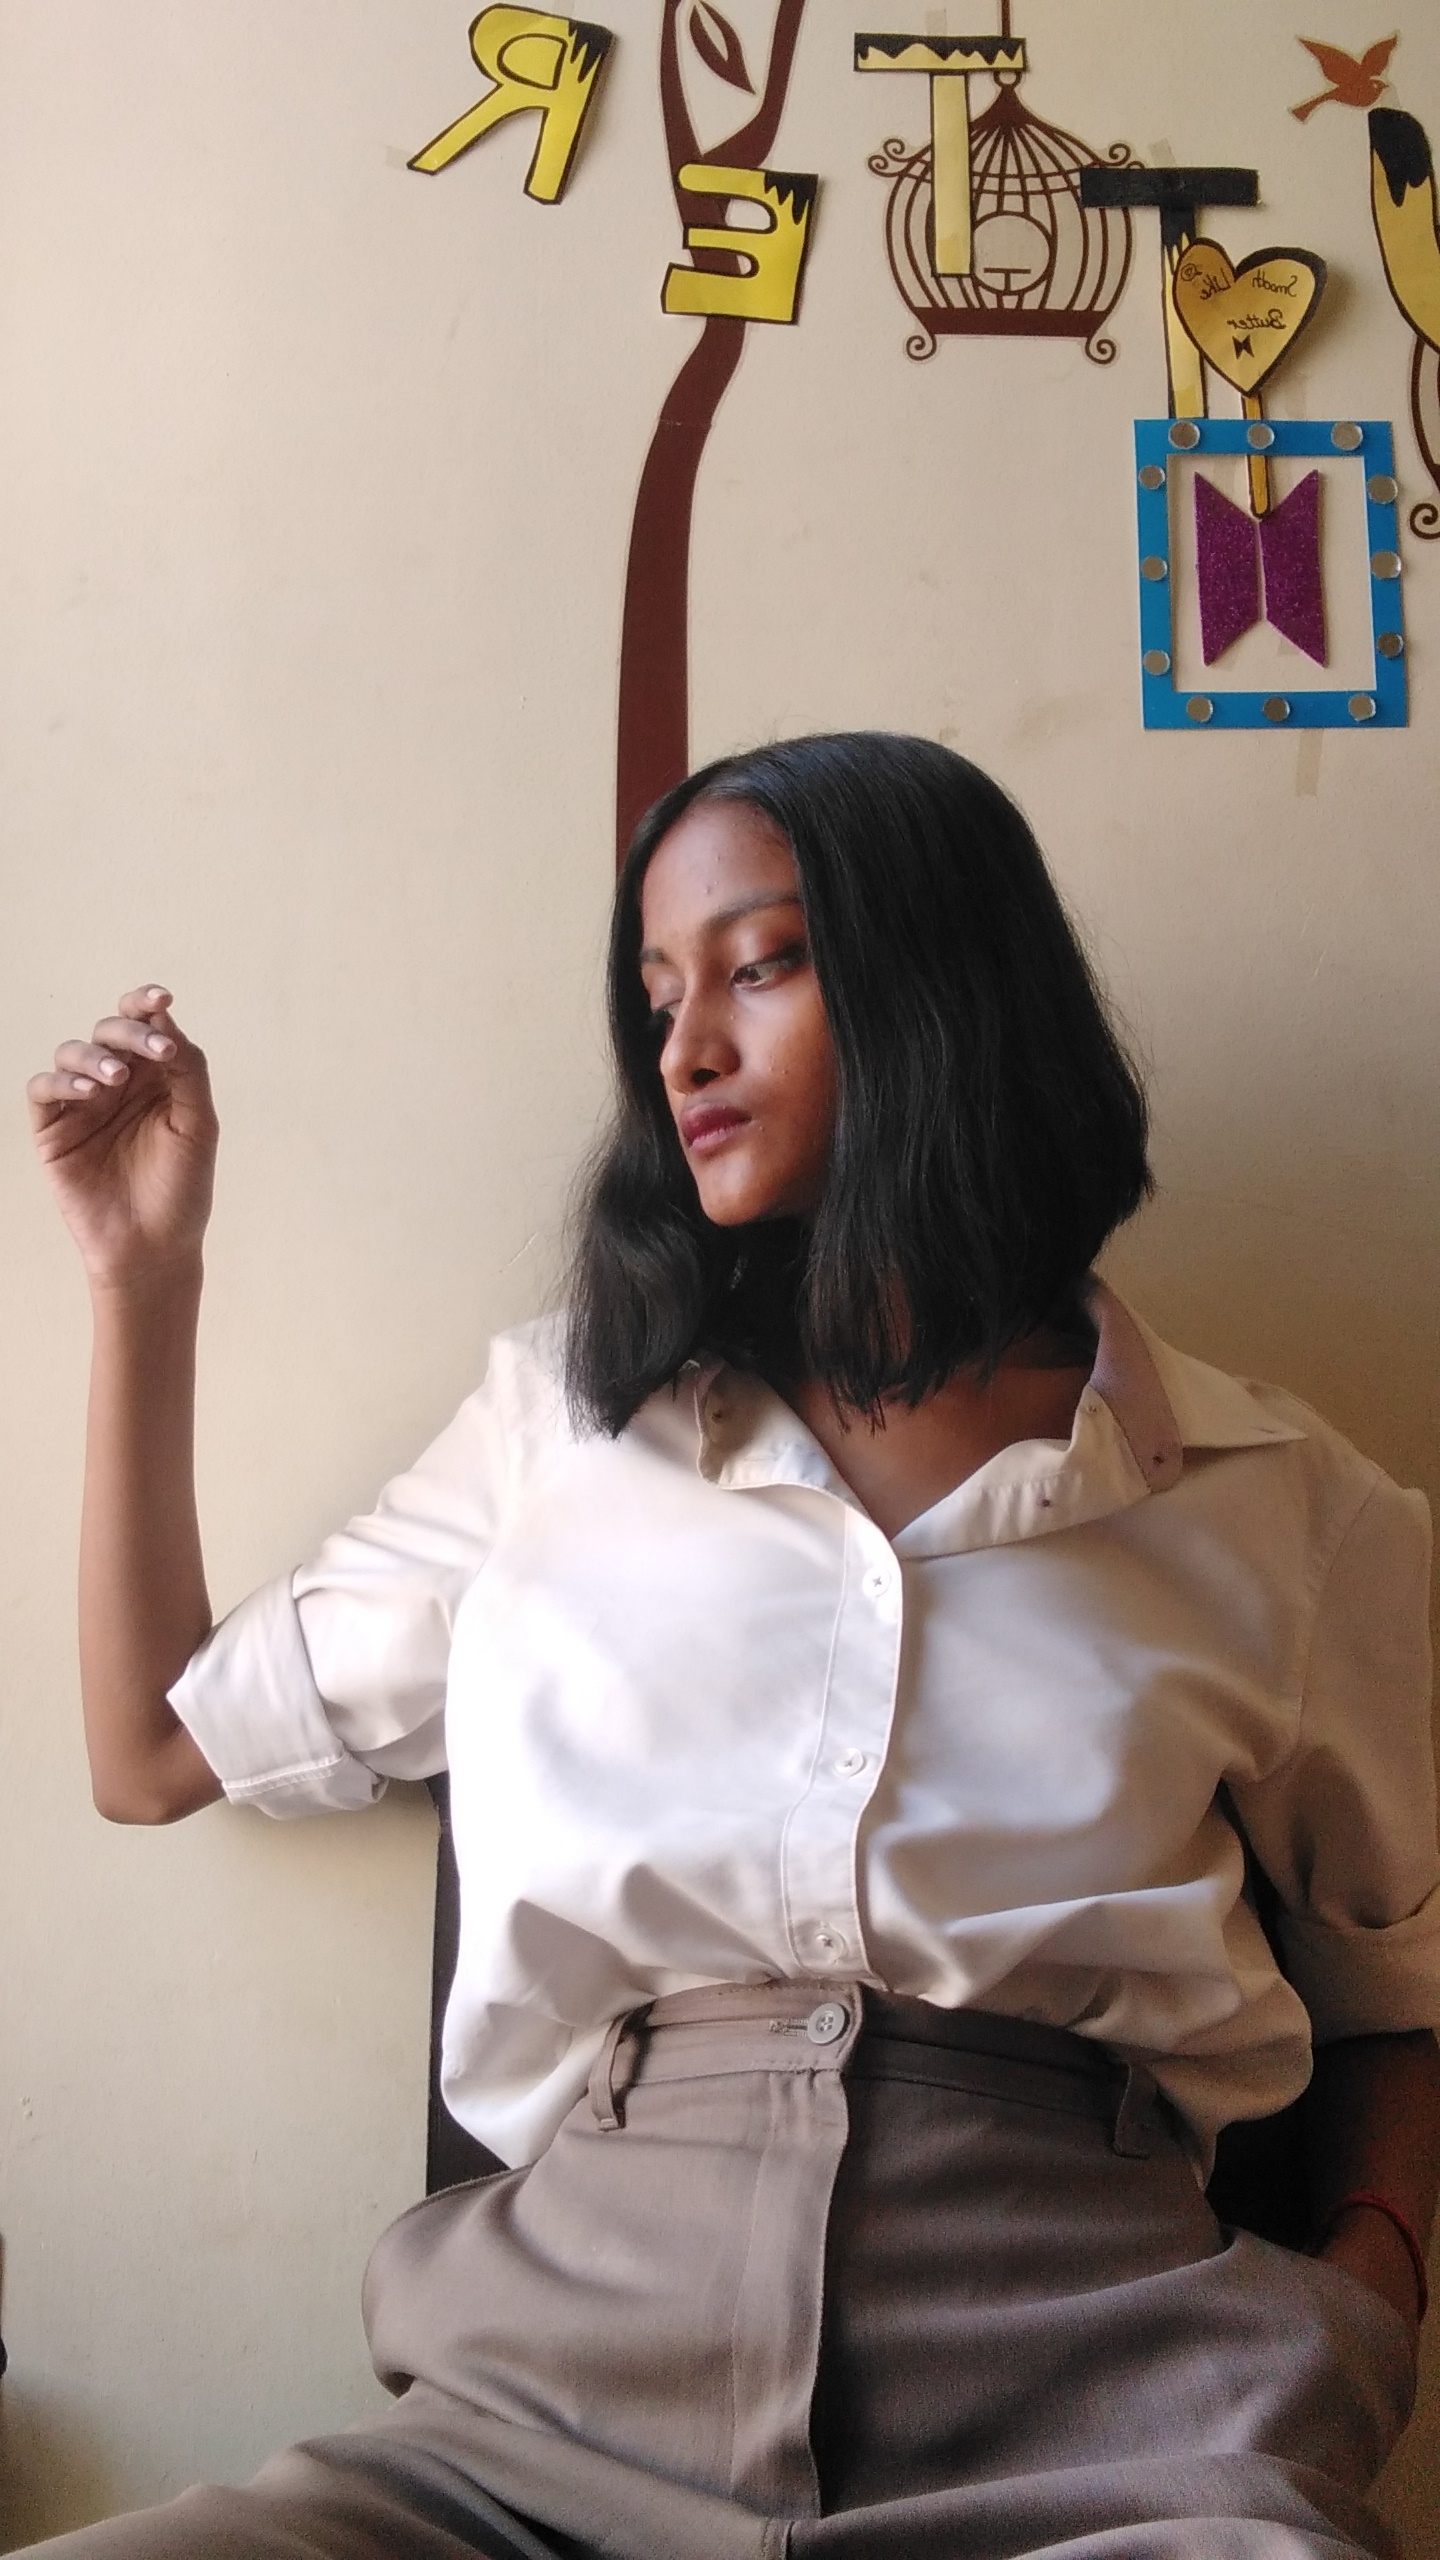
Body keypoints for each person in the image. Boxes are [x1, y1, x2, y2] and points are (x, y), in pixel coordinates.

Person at [22, 732, 1440, 2560]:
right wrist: (144, 1278)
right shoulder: (559, 1429)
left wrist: (1373, 2302)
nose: (683, 1048)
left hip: (1111, 2401)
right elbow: (154, 1753)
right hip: (542, 2426)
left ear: (948, 989)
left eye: (758, 966)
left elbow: (1402, 1990)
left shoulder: (1288, 1507)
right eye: (657, 997)